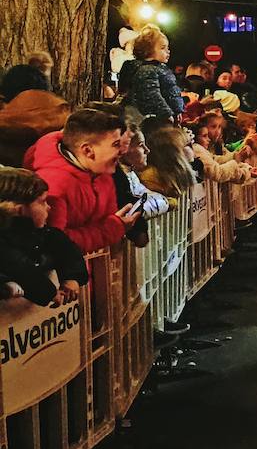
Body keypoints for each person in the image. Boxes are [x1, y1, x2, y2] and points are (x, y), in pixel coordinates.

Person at [25, 108, 140, 254]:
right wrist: (112, 229)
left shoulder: (102, 173)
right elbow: (56, 243)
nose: (122, 151)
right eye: (116, 144)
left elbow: (108, 218)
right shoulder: (54, 185)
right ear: (87, 150)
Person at [0, 167, 87, 307]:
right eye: (42, 202)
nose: (48, 207)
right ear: (18, 209)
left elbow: (65, 248)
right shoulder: (4, 242)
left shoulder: (41, 233)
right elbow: (18, 266)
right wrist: (50, 293)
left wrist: (72, 277)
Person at [126, 26, 185, 122]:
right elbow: (151, 94)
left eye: (167, 47)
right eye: (162, 48)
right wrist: (166, 113)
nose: (167, 51)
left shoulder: (161, 69)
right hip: (154, 118)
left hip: (165, 116)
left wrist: (177, 110)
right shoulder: (147, 70)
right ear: (147, 50)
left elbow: (171, 91)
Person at [140, 119, 197, 198]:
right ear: (172, 152)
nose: (190, 149)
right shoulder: (151, 177)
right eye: (186, 145)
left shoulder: (181, 174)